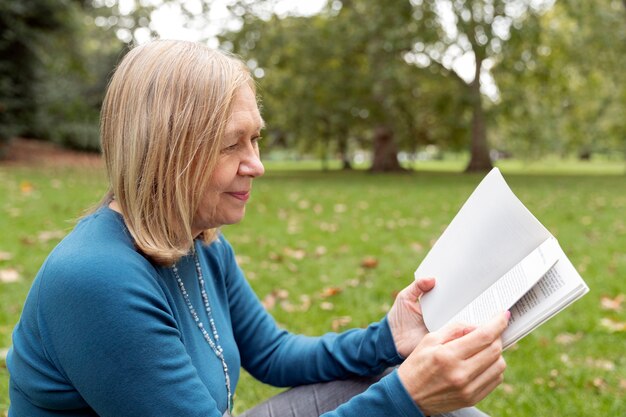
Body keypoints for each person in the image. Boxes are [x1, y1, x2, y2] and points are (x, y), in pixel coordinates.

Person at [7, 40, 508, 417]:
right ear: (168, 153)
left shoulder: (200, 243)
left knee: (393, 378)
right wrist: (405, 399)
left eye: (256, 140)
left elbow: (271, 353)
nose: (257, 165)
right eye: (233, 145)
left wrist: (390, 338)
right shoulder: (96, 281)